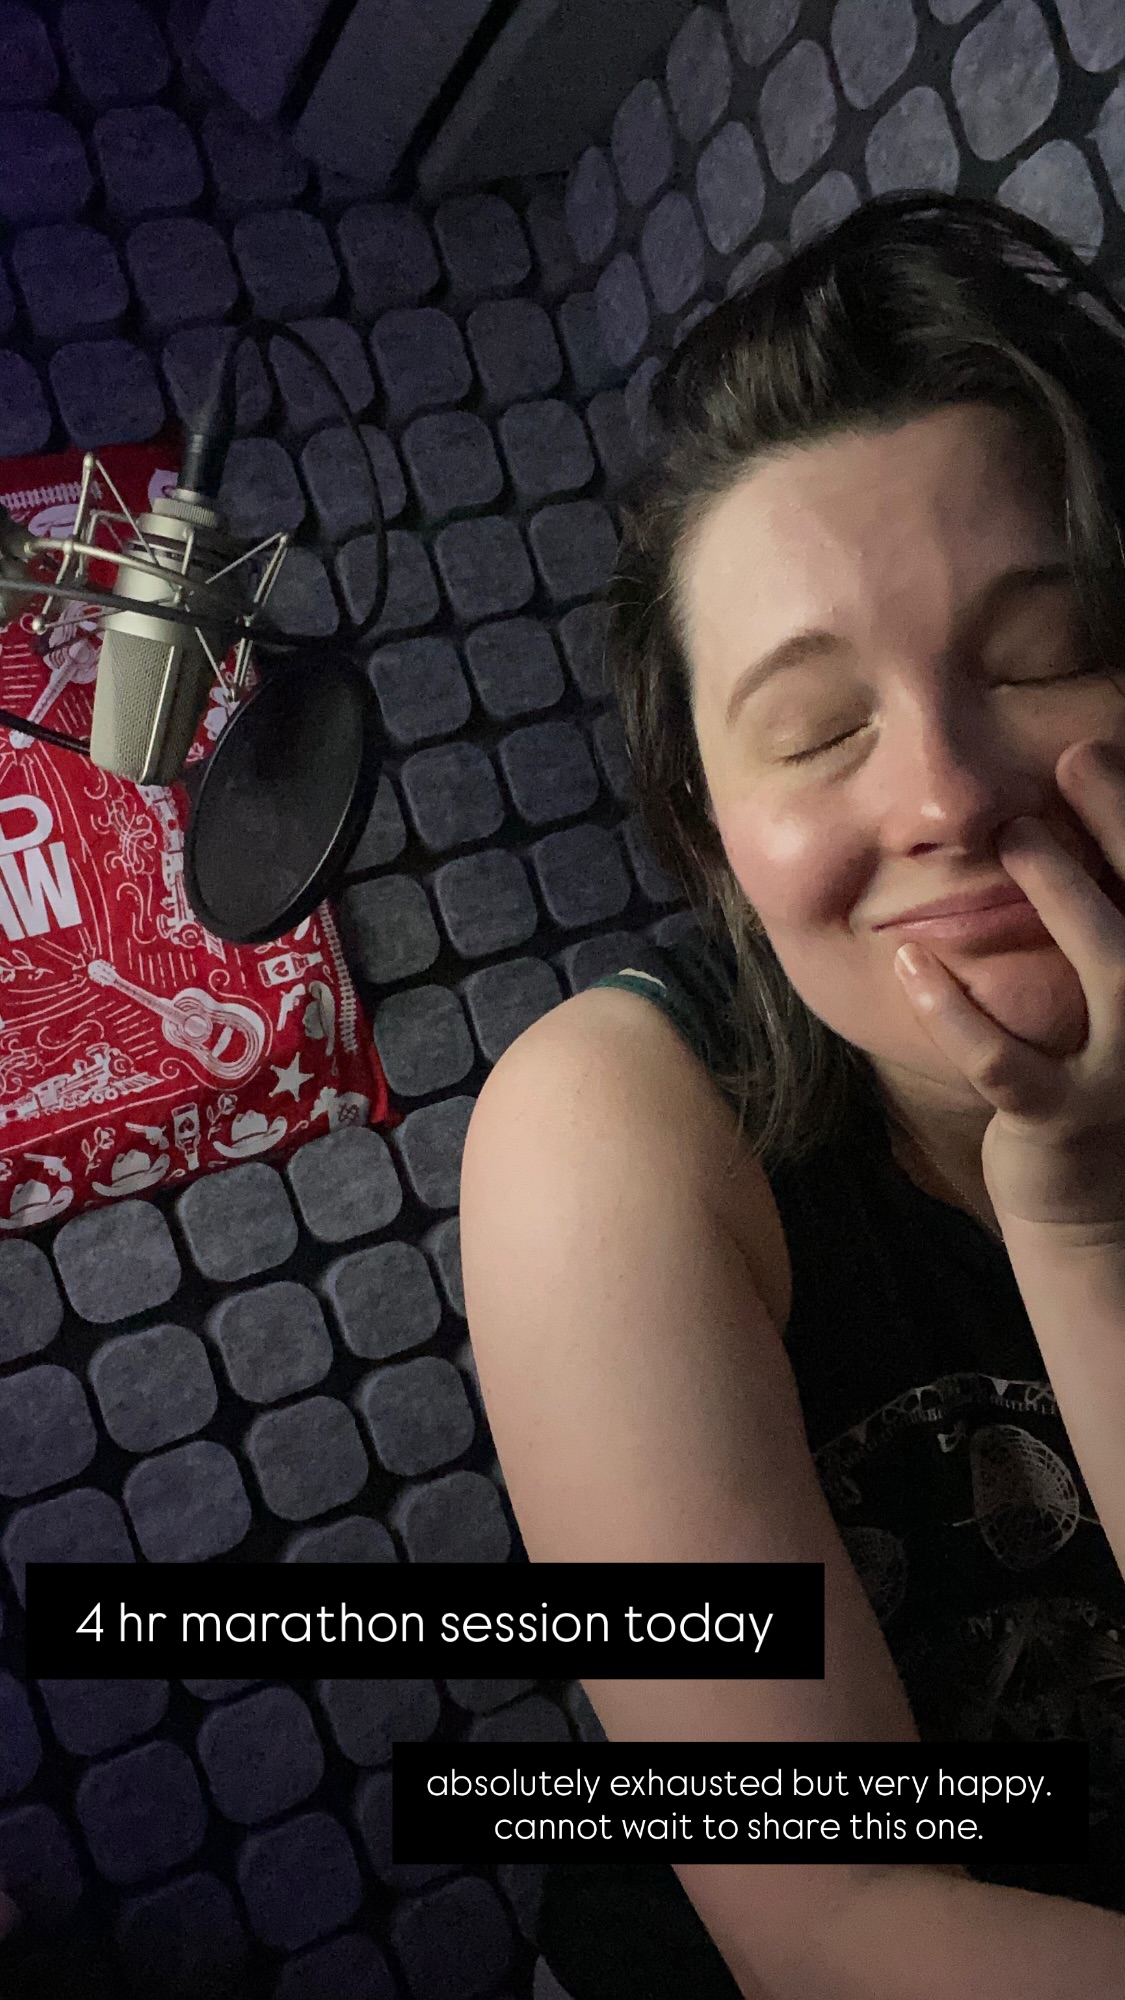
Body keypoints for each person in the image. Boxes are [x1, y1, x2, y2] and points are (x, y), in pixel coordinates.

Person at [458, 191, 1125, 2000]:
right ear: (709, 838)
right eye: (818, 731)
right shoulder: (610, 1128)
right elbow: (827, 1916)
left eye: (1040, 651)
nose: (947, 795)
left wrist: (1084, 1222)